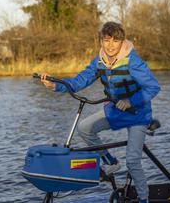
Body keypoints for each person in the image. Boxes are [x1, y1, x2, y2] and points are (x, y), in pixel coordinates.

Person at [40, 21, 160, 203]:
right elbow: (81, 80)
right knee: (85, 128)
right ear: (101, 42)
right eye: (106, 41)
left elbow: (153, 87)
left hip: (138, 114)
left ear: (122, 42)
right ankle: (111, 162)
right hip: (115, 111)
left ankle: (144, 199)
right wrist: (56, 85)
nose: (110, 46)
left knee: (133, 161)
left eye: (115, 41)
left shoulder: (132, 61)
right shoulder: (100, 61)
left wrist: (130, 101)